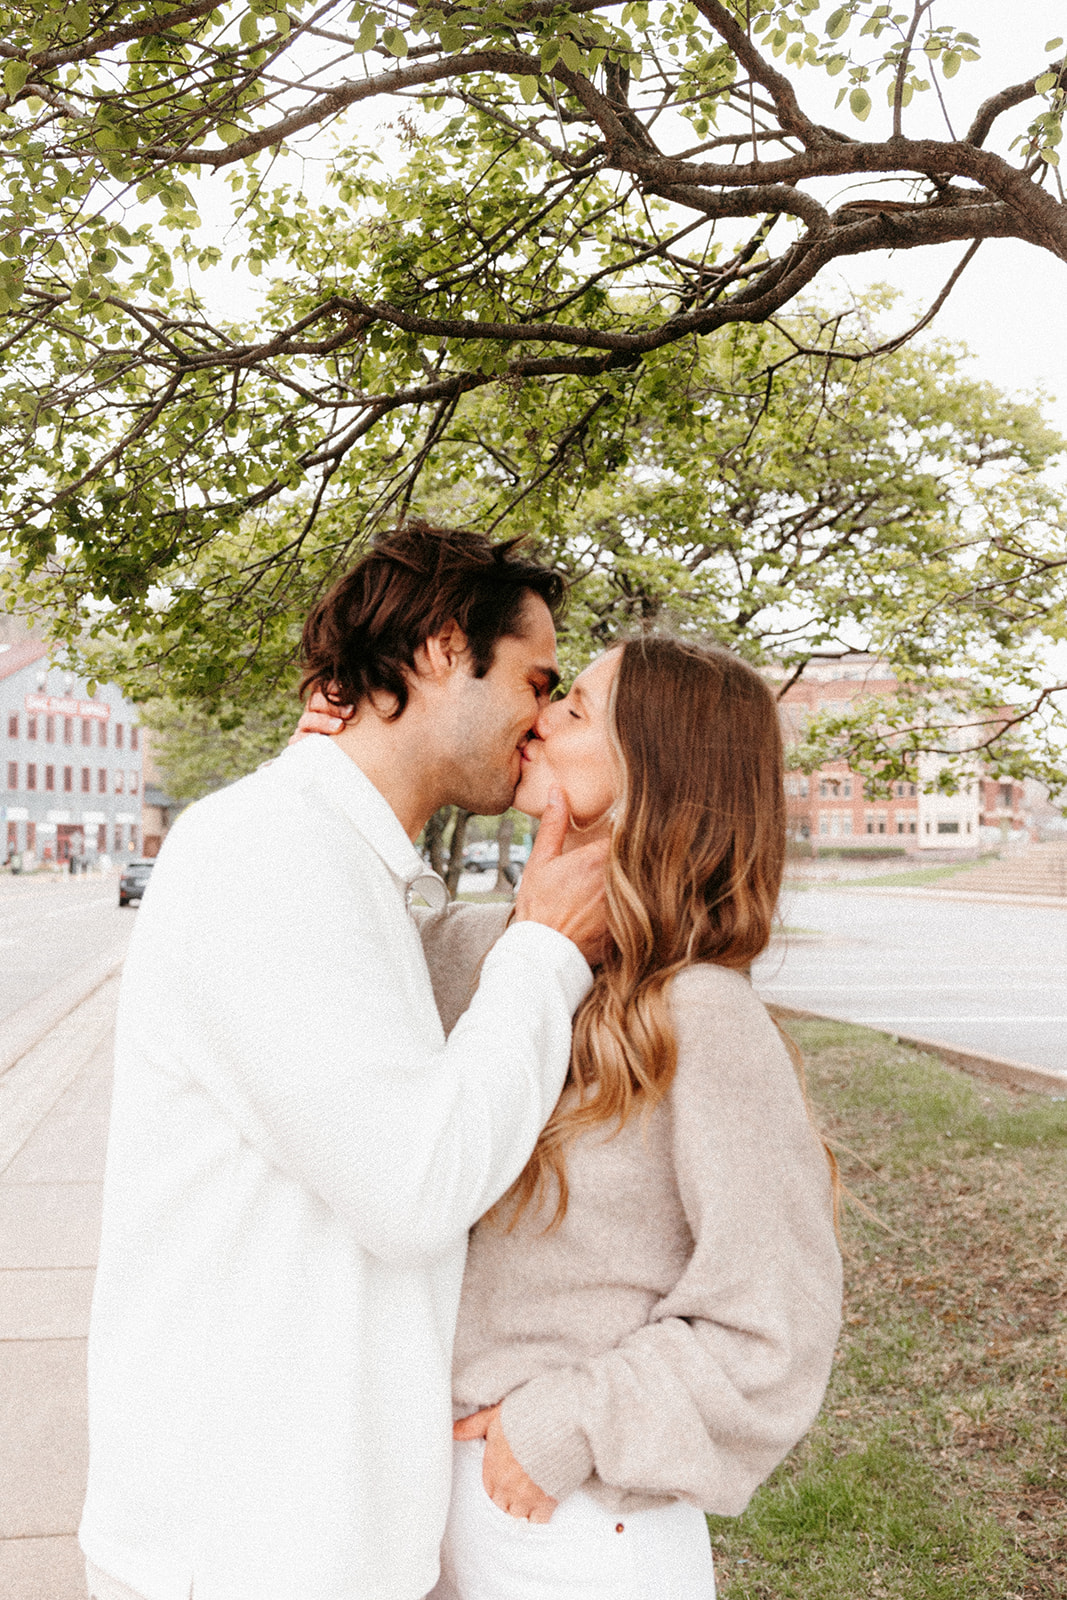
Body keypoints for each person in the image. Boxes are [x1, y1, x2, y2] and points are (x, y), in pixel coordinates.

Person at [80, 524, 610, 1600]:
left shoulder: (338, 861)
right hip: (244, 1547)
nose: (544, 718)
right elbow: (413, 1186)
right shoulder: (269, 851)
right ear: (433, 650)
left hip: (316, 1538)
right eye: (534, 679)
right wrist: (546, 950)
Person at [307, 634, 843, 1598]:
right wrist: (331, 773)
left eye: (579, 708)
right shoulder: (480, 955)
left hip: (580, 1524)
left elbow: (775, 1324)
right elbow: (327, 958)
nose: (541, 713)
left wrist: (562, 1426)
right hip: (435, 1511)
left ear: (655, 771)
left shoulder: (703, 1015)